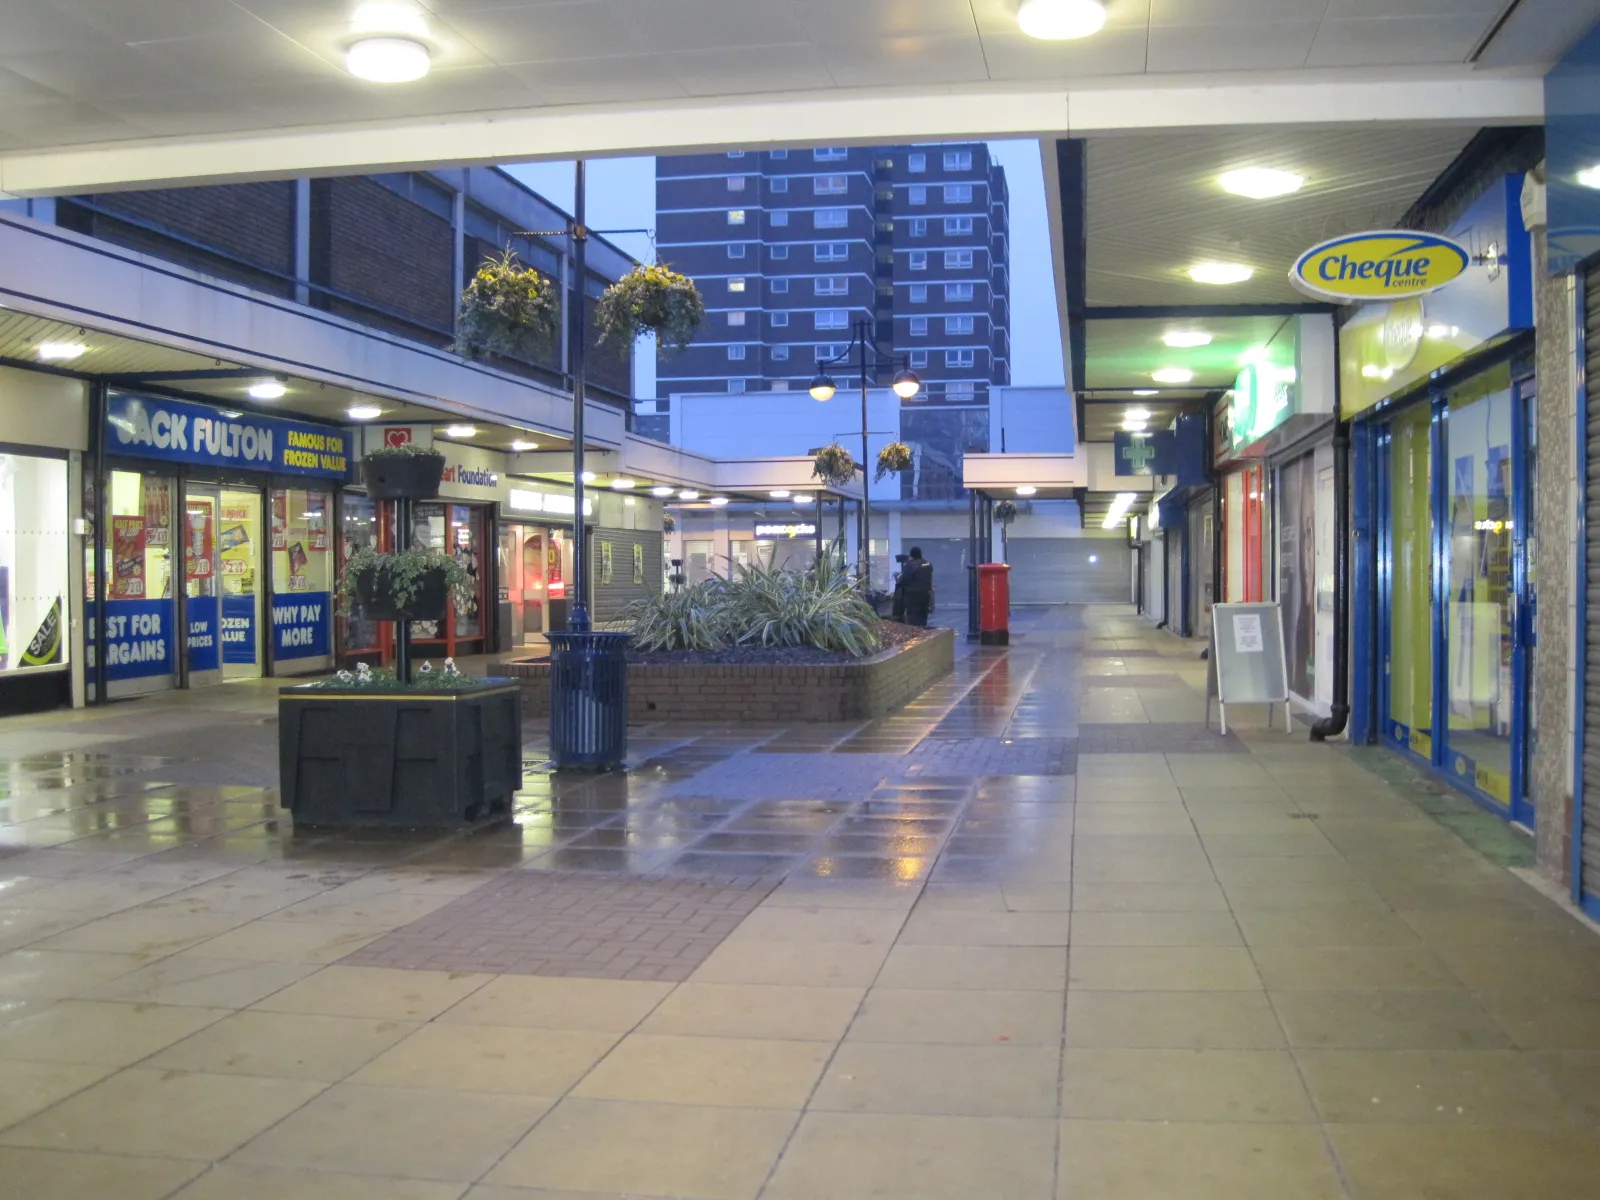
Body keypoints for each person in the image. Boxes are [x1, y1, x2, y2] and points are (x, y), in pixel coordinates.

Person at [901, 546, 933, 627]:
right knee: (923, 615)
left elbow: (905, 579)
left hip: (913, 595)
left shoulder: (910, 565)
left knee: (913, 617)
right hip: (925, 593)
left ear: (911, 555)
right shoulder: (928, 564)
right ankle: (923, 630)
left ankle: (916, 634)